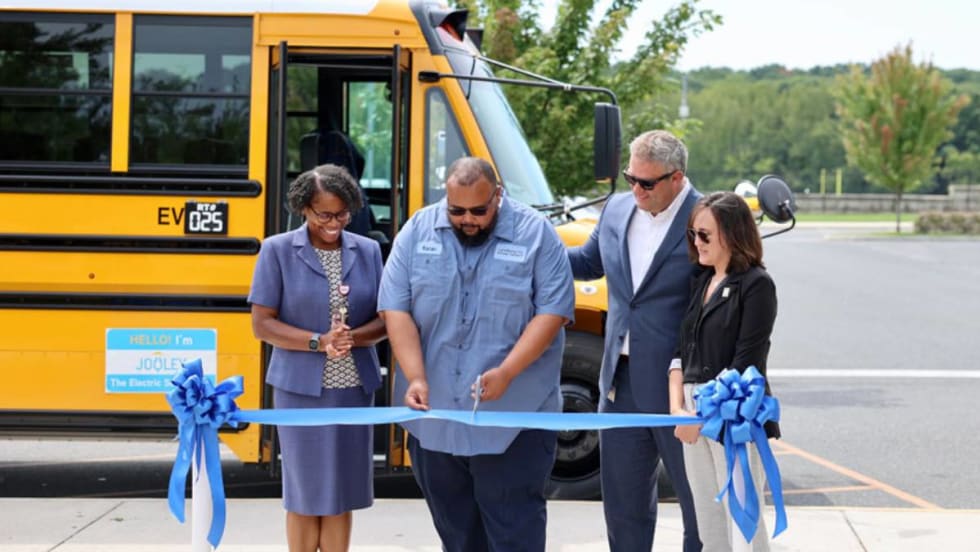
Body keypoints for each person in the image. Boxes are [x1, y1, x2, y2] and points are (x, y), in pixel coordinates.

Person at [378, 156, 575, 552]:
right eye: (456, 210)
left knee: (514, 536)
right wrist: (415, 376)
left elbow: (552, 313)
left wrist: (507, 372)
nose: (467, 219)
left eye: (478, 211)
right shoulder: (416, 231)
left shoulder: (537, 234)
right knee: (458, 538)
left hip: (514, 421)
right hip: (436, 422)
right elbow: (395, 310)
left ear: (497, 196)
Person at [567, 130, 702, 552]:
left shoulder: (706, 217)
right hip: (619, 385)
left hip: (682, 388)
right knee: (624, 509)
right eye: (630, 178)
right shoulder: (617, 208)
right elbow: (587, 262)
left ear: (677, 178)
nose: (636, 190)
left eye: (646, 182)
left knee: (699, 506)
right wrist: (532, 251)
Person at [248, 163, 386, 552]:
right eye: (324, 215)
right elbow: (263, 325)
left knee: (341, 492)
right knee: (305, 493)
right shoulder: (277, 250)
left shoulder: (369, 251)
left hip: (353, 390)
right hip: (300, 392)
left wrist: (352, 338)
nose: (334, 223)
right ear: (304, 208)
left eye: (342, 214)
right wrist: (318, 342)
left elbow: (387, 319)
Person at [669, 191, 781, 552]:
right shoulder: (701, 281)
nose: (696, 242)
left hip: (734, 416)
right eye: (692, 234)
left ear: (732, 234)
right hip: (692, 412)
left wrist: (700, 414)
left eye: (704, 235)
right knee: (708, 519)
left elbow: (746, 362)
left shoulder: (756, 284)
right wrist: (677, 411)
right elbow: (680, 355)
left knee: (744, 521)